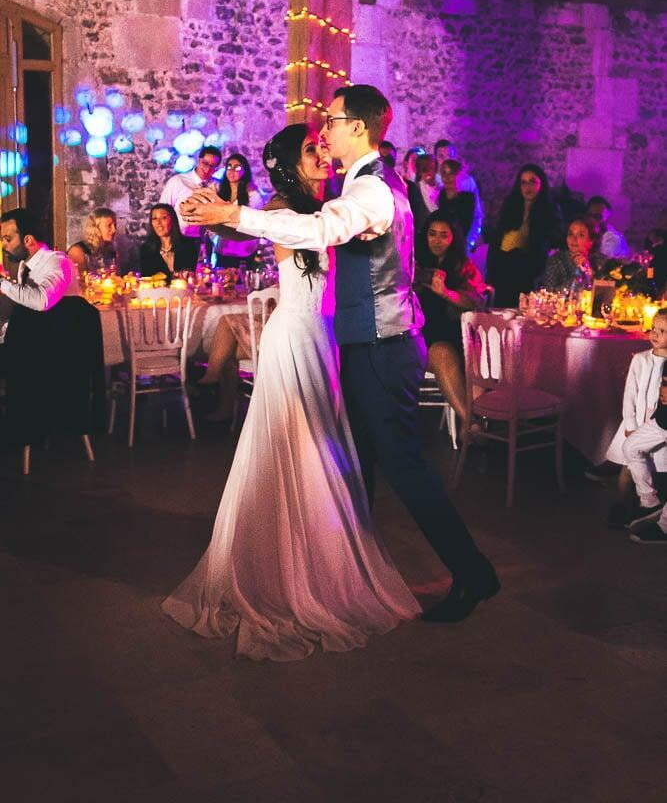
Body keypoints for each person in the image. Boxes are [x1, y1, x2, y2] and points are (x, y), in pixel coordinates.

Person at [182, 84, 499, 625]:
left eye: (329, 120)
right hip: (365, 343)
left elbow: (322, 229)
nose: (323, 130)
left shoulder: (372, 190)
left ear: (358, 126)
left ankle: (472, 574)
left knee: (401, 465)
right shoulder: (365, 183)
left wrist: (237, 215)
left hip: (384, 346)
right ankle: (346, 571)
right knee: (359, 465)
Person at [163, 124, 421, 660]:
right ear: (287, 161)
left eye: (323, 145)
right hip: (297, 334)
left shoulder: (329, 203)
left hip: (326, 336)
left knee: (320, 444)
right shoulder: (285, 205)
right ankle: (291, 572)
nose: (322, 152)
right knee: (301, 446)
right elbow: (272, 232)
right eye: (311, 149)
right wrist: (226, 214)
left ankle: (321, 560)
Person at [415, 213, 485, 422]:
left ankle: (477, 423)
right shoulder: (414, 263)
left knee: (477, 352)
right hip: (422, 338)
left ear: (453, 238)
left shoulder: (463, 266)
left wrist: (446, 293)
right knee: (441, 352)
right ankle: (470, 423)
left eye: (444, 235)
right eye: (432, 234)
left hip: (457, 334)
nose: (437, 240)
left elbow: (476, 300)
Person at [604, 310, 667, 530]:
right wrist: (630, 425)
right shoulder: (641, 360)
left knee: (656, 468)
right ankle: (623, 506)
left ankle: (649, 508)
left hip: (659, 428)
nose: (655, 334)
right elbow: (630, 394)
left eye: (663, 331)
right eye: (654, 329)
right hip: (637, 424)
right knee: (628, 466)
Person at [487, 164, 560, 307]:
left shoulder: (548, 210)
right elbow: (497, 238)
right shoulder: (510, 206)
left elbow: (550, 241)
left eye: (532, 181)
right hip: (503, 268)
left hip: (527, 271)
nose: (528, 187)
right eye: (524, 182)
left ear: (541, 184)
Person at [0, 208, 80, 314]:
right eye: (2, 239)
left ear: (28, 240)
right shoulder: (24, 265)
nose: (3, 245)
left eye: (8, 239)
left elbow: (42, 301)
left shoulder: (58, 261)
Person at [211, 153, 264, 268]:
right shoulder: (220, 193)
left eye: (237, 167)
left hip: (244, 251)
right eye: (229, 167)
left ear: (245, 170)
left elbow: (259, 223)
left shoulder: (253, 195)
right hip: (223, 250)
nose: (232, 170)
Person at [160, 145, 222, 239]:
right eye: (205, 163)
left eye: (212, 166)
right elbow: (163, 211)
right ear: (199, 160)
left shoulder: (218, 186)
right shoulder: (178, 181)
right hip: (180, 238)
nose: (208, 169)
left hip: (205, 240)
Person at [433, 139, 483, 250]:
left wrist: (469, 242)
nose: (446, 159)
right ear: (436, 158)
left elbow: (477, 214)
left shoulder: (467, 181)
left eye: (450, 155)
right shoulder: (432, 182)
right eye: (441, 156)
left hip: (464, 243)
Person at [537, 217, 603, 292]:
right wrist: (579, 272)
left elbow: (604, 291)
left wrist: (589, 271)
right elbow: (549, 292)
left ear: (592, 241)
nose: (573, 239)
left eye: (581, 235)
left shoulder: (600, 261)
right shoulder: (556, 260)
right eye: (570, 234)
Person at [139, 204, 199, 279]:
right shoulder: (146, 249)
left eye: (164, 218)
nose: (158, 223)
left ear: (172, 220)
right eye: (154, 218)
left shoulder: (189, 245)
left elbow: (196, 275)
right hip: (157, 290)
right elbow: (145, 279)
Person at [67, 207, 118, 278]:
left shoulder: (110, 250)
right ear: (95, 228)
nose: (114, 230)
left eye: (115, 225)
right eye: (109, 226)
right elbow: (77, 282)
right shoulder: (78, 251)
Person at [437, 159, 475, 242]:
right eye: (444, 173)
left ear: (458, 175)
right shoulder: (441, 195)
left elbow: (468, 224)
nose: (447, 177)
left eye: (451, 173)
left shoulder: (467, 197)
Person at [585, 196, 631, 260]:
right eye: (590, 215)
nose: (592, 219)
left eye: (598, 216)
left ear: (607, 216)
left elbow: (600, 264)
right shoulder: (587, 233)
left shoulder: (613, 239)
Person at [408, 153, 440, 235]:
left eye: (432, 168)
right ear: (418, 171)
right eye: (425, 169)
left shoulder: (443, 186)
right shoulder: (414, 190)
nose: (429, 172)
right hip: (423, 235)